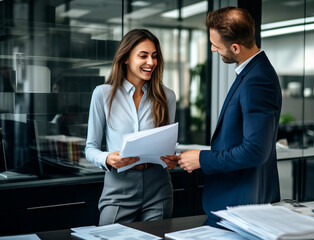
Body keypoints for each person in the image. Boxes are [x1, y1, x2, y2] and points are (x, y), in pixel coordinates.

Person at [178, 6, 282, 227]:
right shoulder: (252, 73)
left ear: (235, 47)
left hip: (242, 205)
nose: (213, 50)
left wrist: (202, 159)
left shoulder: (257, 80)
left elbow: (255, 151)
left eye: (216, 45)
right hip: (239, 203)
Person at [85, 29, 178, 225]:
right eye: (143, 56)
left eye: (154, 56)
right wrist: (107, 158)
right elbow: (90, 148)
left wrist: (171, 158)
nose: (151, 62)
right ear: (126, 58)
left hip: (158, 186)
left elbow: (168, 144)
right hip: (119, 185)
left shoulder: (167, 96)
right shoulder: (103, 94)